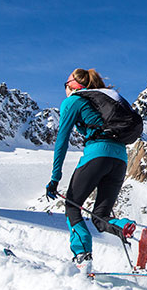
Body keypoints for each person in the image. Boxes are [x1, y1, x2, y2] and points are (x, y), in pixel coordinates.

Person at [46, 68, 137, 272]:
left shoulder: (73, 101)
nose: (65, 88)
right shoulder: (101, 101)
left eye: (65, 84)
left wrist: (55, 178)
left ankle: (82, 256)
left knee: (72, 207)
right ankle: (123, 226)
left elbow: (62, 141)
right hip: (120, 158)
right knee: (100, 216)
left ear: (73, 85)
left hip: (97, 154)